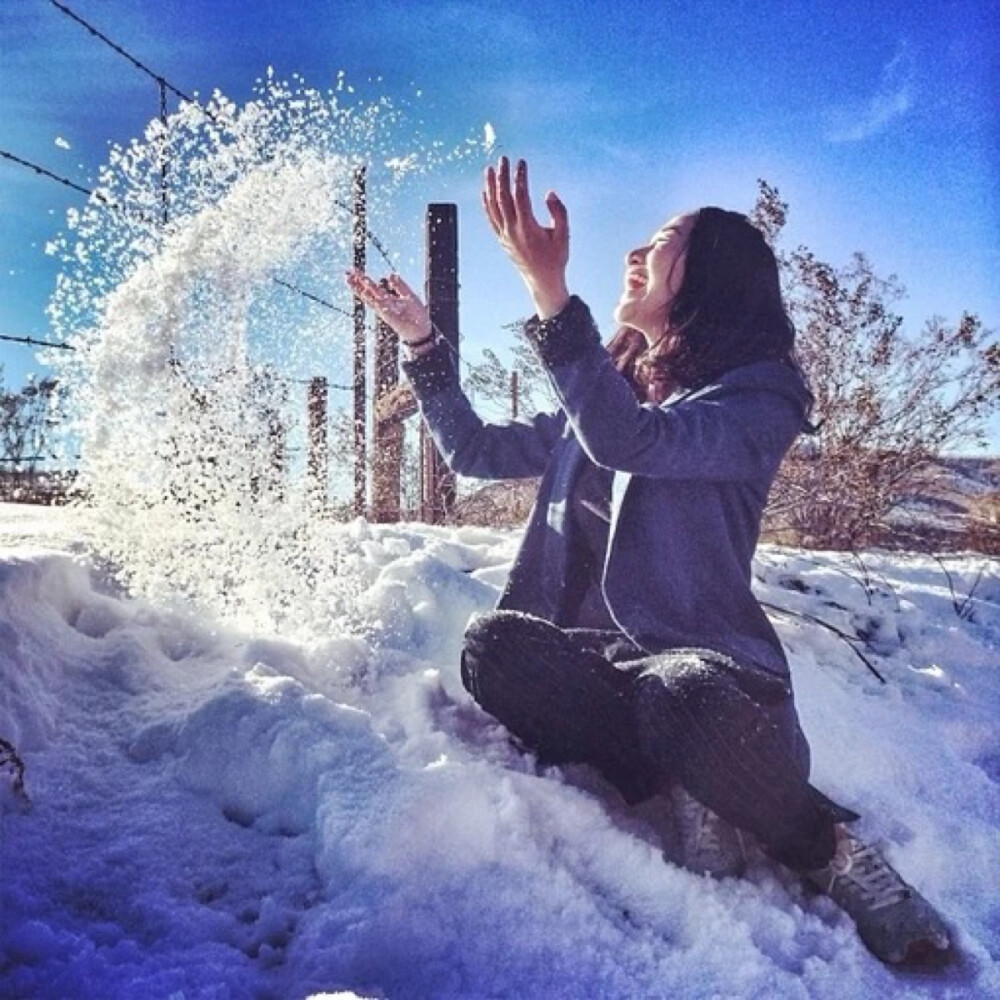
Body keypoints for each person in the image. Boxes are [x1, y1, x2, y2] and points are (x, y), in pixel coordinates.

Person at [344, 156, 951, 966]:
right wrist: (422, 343)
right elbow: (476, 451)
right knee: (494, 646)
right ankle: (689, 779)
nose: (636, 251)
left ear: (711, 278)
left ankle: (821, 846)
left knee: (684, 694)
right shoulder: (607, 389)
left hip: (712, 680)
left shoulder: (755, 400)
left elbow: (632, 440)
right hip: (606, 672)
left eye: (665, 241)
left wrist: (550, 296)